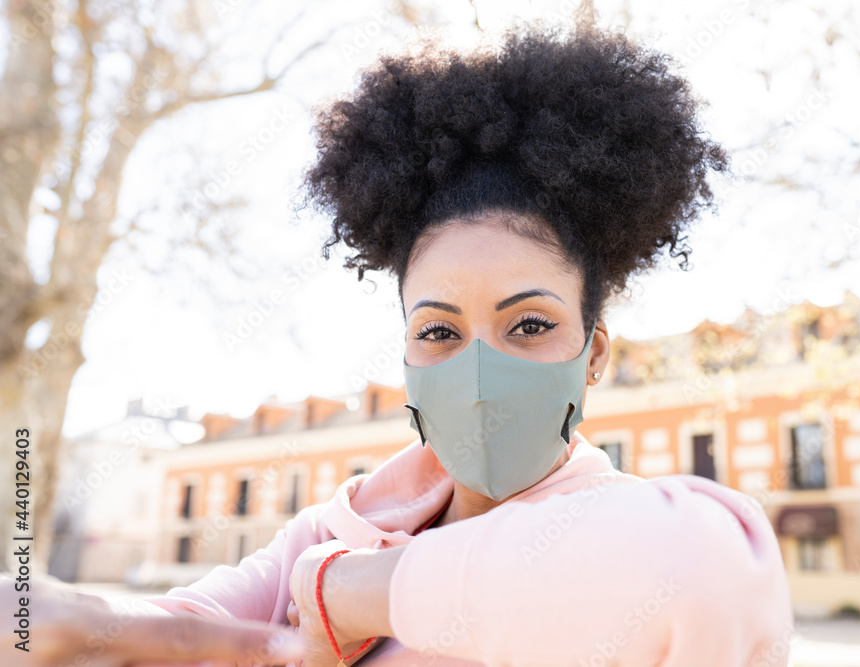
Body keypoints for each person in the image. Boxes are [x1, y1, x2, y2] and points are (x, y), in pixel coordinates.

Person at [5, 14, 794, 667]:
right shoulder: (331, 529)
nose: (480, 371)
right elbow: (162, 634)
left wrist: (348, 593)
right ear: (408, 356)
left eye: (529, 324)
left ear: (594, 353)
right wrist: (60, 617)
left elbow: (707, 573)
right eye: (441, 331)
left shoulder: (638, 546)